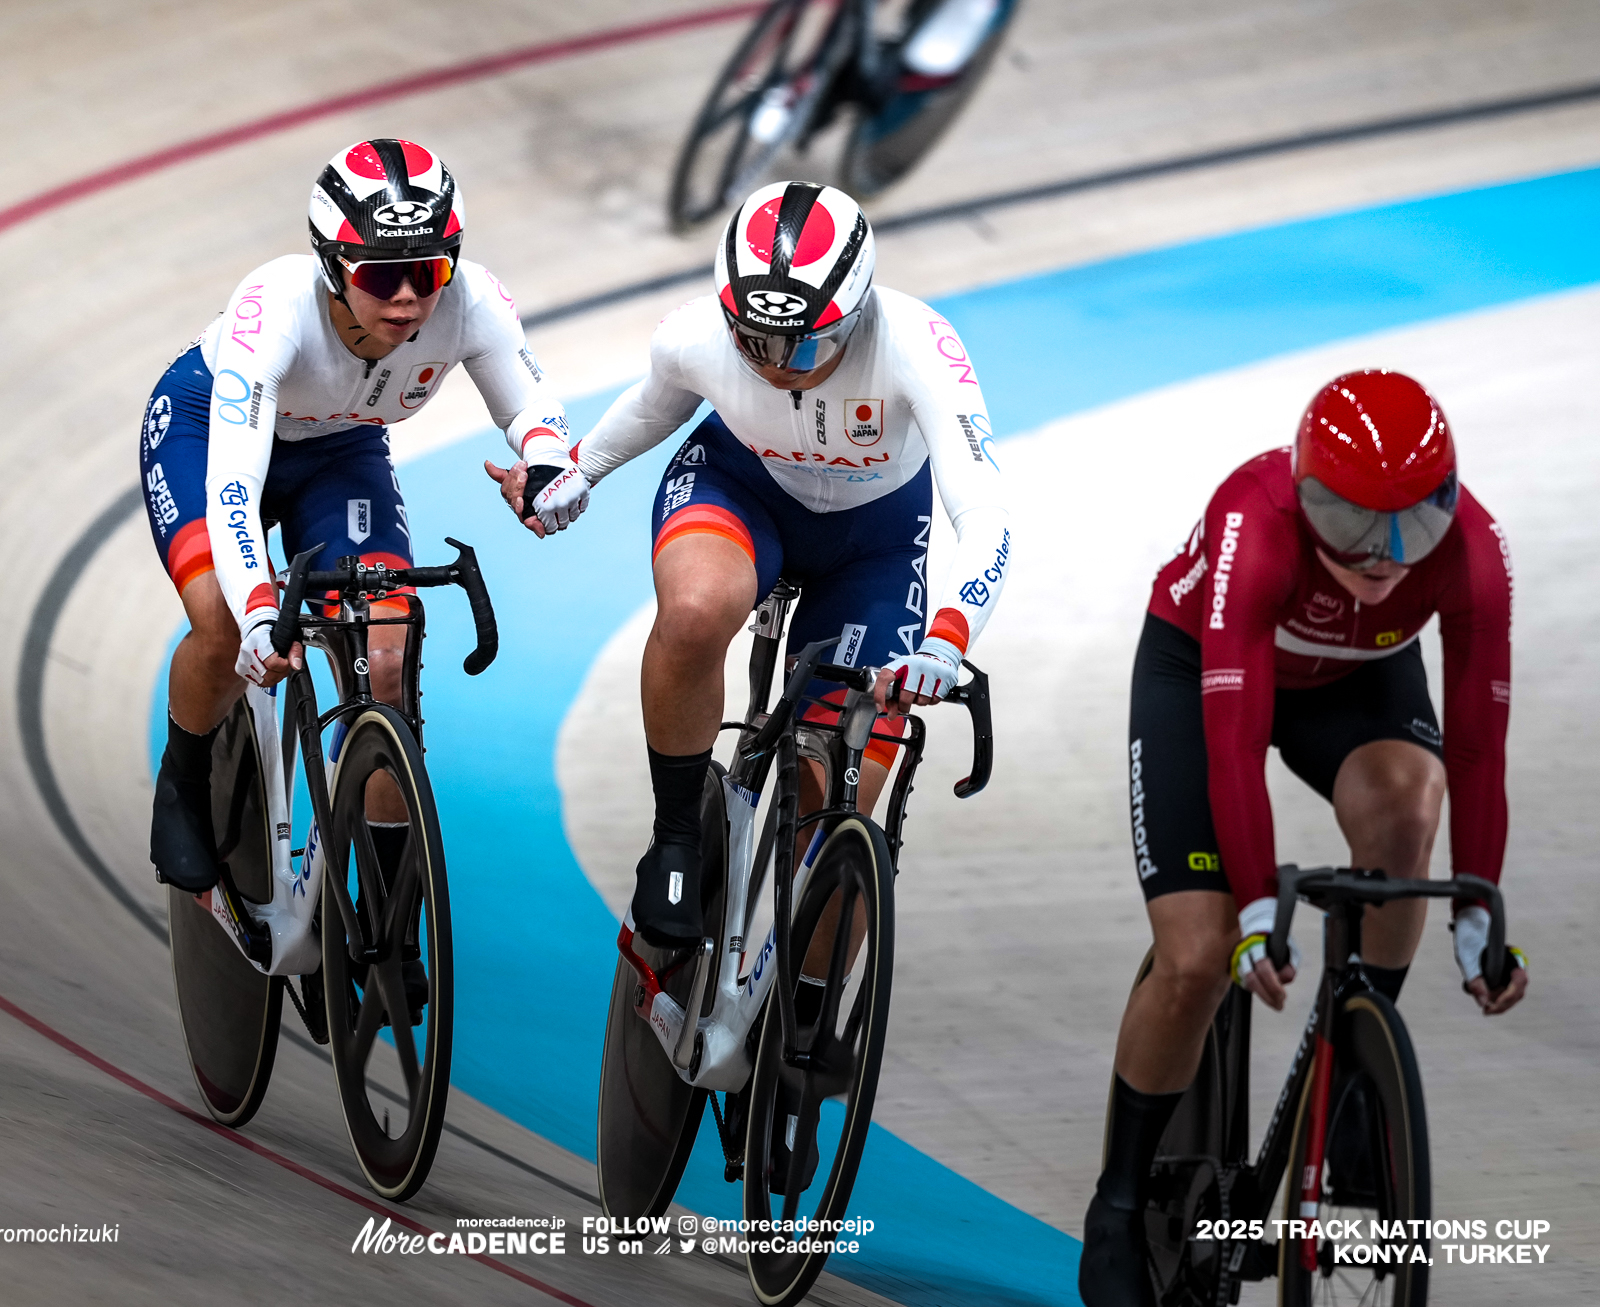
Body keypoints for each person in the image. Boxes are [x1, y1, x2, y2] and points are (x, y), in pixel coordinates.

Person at [1079, 371, 1529, 1306]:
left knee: (1410, 807)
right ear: (1305, 487)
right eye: (1354, 522)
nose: (1385, 554)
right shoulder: (1256, 525)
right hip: (1204, 669)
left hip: (1358, 679)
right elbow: (1234, 745)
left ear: (1451, 501)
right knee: (1199, 956)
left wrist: (1480, 912)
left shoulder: (1476, 551)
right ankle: (1119, 1198)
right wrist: (1252, 909)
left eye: (1417, 522)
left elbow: (1481, 748)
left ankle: (1360, 1066)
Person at [488, 180, 1013, 949]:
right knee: (697, 609)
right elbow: (652, 408)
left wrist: (948, 637)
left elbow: (986, 510)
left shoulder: (918, 345)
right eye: (753, 341)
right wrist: (574, 474)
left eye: (802, 344)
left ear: (856, 311)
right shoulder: (694, 334)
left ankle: (802, 1004)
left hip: (875, 540)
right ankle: (674, 838)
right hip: (741, 490)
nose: (774, 365)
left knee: (840, 803)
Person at [144, 137, 573, 894]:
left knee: (388, 647)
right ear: (333, 264)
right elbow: (234, 487)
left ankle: (387, 911)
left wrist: (544, 459)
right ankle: (182, 780)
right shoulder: (273, 308)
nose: (408, 297)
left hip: (338, 448)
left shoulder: (471, 301)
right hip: (207, 430)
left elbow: (530, 405)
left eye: (429, 269)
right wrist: (255, 609)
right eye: (381, 275)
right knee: (218, 621)